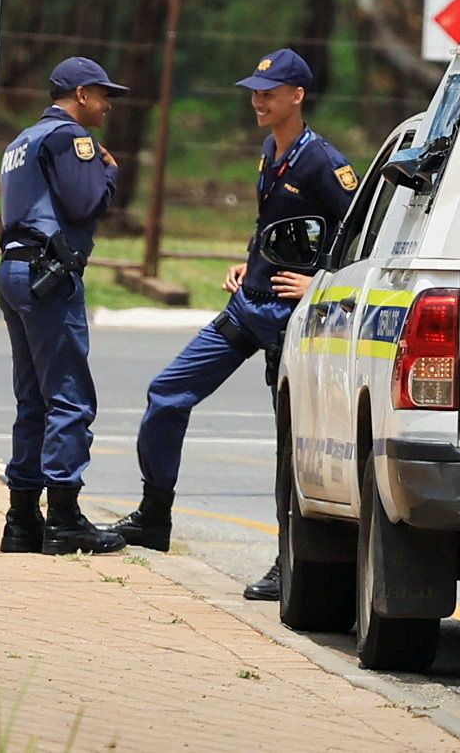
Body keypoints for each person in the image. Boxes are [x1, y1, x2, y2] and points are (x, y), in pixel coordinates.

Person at [112, 48, 356, 600]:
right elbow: (271, 222)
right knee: (167, 394)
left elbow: (358, 236)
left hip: (289, 319)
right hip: (248, 306)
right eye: (254, 91)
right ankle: (154, 515)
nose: (257, 100)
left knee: (292, 443)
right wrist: (255, 259)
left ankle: (289, 561)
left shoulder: (325, 162)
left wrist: (318, 285)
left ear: (298, 96)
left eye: (269, 93)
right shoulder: (270, 150)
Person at [0, 56, 132, 556]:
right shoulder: (72, 140)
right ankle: (65, 519)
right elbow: (83, 205)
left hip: (14, 269)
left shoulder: (21, 140)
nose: (107, 105)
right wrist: (108, 173)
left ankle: (22, 520)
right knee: (70, 399)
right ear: (80, 95)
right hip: (48, 277)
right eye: (103, 95)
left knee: (32, 399)